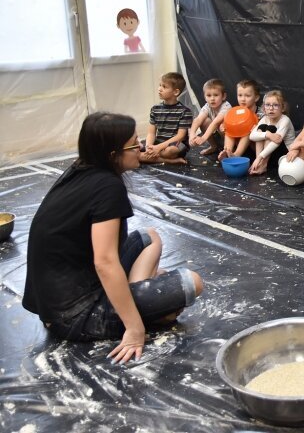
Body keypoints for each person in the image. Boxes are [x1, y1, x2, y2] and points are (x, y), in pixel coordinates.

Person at [22, 112, 204, 364]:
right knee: (191, 283)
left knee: (149, 237)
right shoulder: (108, 187)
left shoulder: (81, 169)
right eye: (133, 144)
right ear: (112, 155)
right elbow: (105, 262)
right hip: (74, 315)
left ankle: (135, 293)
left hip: (57, 301)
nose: (140, 146)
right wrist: (134, 329)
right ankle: (134, 301)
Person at [140, 72, 193, 165]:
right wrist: (149, 146)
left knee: (171, 151)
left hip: (174, 145)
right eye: (160, 85)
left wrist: (158, 148)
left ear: (176, 92)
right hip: (159, 143)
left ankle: (149, 156)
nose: (159, 89)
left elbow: (180, 136)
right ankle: (170, 161)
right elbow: (151, 133)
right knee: (134, 150)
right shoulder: (155, 109)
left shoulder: (185, 111)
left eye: (164, 87)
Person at [249, 90, 296, 175]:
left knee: (271, 129)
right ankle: (259, 165)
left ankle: (263, 165)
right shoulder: (265, 119)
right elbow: (252, 136)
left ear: (282, 107)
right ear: (264, 108)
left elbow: (277, 141)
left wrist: (260, 157)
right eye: (268, 105)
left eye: (275, 105)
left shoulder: (285, 120)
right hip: (269, 154)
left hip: (284, 155)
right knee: (262, 129)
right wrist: (268, 135)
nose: (271, 108)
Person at [219, 79, 262, 161]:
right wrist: (223, 127)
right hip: (239, 144)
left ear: (256, 98)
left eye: (247, 96)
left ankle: (236, 155)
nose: (243, 99)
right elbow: (226, 125)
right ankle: (227, 151)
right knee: (229, 128)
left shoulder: (261, 113)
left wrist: (256, 128)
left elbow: (263, 131)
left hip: (255, 147)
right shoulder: (235, 111)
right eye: (240, 95)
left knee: (248, 129)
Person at [189, 78, 231, 156]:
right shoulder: (207, 106)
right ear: (205, 97)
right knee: (204, 121)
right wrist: (192, 135)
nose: (212, 99)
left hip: (229, 138)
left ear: (223, 96)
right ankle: (214, 146)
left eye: (216, 95)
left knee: (223, 125)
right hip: (216, 135)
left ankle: (228, 149)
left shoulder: (226, 106)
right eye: (208, 95)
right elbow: (198, 119)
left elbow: (215, 123)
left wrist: (203, 138)